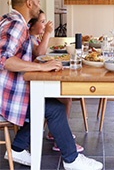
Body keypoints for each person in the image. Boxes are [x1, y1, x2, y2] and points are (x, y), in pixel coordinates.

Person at [0, 0, 103, 170]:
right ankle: (71, 160)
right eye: (38, 2)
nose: (39, 6)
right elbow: (4, 59)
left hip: (11, 91)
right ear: (29, 3)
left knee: (45, 104)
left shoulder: (11, 20)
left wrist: (40, 64)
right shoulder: (16, 24)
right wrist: (43, 66)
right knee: (54, 109)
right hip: (6, 96)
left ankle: (16, 148)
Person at [29, 10, 84, 153]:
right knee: (65, 99)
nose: (45, 24)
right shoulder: (30, 38)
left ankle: (54, 133)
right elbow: (40, 53)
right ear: (31, 25)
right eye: (41, 22)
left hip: (38, 76)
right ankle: (60, 139)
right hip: (34, 82)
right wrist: (46, 33)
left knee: (66, 98)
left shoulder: (33, 37)